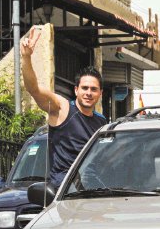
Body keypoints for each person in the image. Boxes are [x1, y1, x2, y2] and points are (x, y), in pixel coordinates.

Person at [20, 27, 107, 188]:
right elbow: (34, 89)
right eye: (84, 88)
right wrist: (26, 57)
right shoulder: (62, 108)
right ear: (76, 90)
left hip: (92, 189)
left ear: (100, 93)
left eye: (93, 89)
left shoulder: (101, 123)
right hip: (64, 190)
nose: (88, 93)